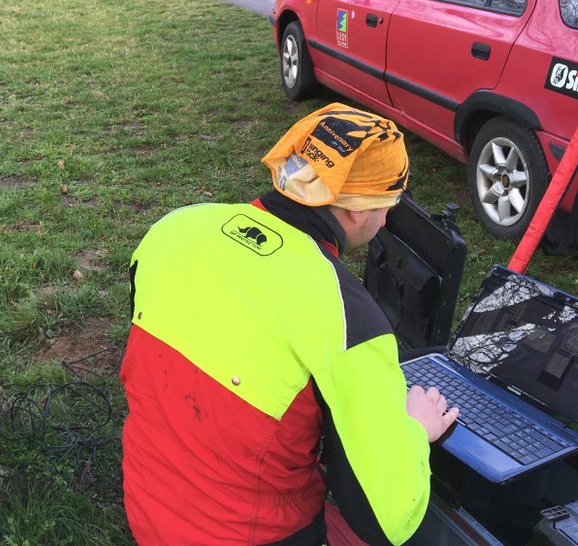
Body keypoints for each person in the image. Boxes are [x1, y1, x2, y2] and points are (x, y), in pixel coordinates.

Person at [120, 103, 459, 546]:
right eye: (388, 205)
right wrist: (415, 428)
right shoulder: (349, 321)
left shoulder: (172, 229)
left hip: (148, 507)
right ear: (358, 211)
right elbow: (385, 519)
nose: (385, 218)